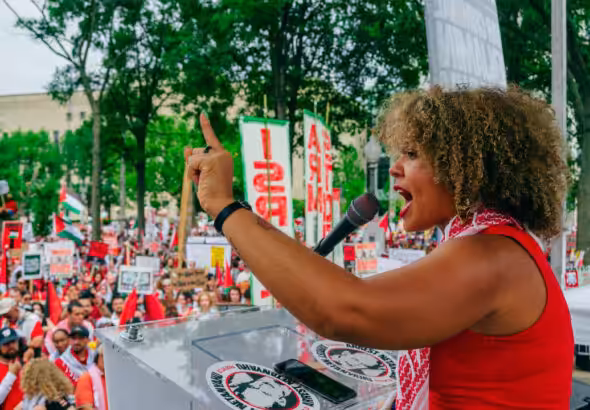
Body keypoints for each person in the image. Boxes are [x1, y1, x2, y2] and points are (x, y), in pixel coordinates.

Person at [187, 87, 573, 409]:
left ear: (467, 166)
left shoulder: (492, 257)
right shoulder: (496, 244)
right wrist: (239, 212)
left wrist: (223, 206)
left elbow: (344, 309)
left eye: (413, 154)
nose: (394, 167)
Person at [75, 345, 108, 410]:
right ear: (98, 357)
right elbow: (85, 407)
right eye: (103, 356)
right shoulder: (86, 377)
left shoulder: (115, 378)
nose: (105, 360)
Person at [0, 328, 23, 410]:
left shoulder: (25, 363)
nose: (10, 346)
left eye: (13, 342)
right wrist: (11, 375)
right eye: (6, 344)